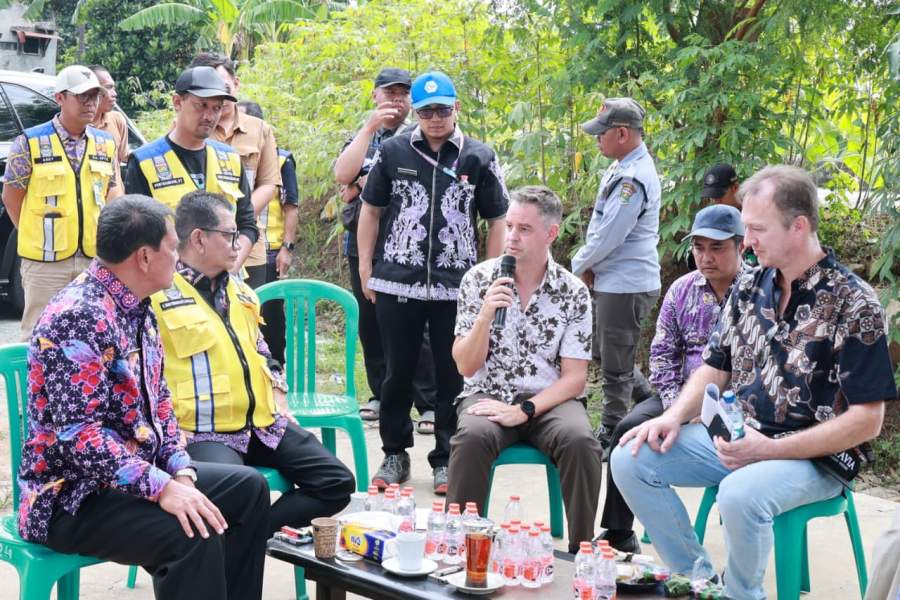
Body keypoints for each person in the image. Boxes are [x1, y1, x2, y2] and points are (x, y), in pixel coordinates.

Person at [611, 165, 897, 600]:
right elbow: (715, 366)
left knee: (739, 494)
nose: (747, 240)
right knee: (630, 458)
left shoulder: (854, 302)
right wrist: (673, 417)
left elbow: (867, 421)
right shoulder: (749, 285)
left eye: (757, 229)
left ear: (798, 226)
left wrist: (770, 450)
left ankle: (742, 595)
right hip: (741, 437)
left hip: (816, 457)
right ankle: (698, 582)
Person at [17, 196, 270, 600]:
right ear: (145, 257)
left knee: (248, 490)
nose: (180, 256)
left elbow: (160, 403)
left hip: (132, 474)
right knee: (191, 533)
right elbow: (80, 439)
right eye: (173, 247)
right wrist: (162, 487)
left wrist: (181, 471)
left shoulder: (138, 305)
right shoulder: (79, 317)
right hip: (71, 497)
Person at [150, 190, 354, 535]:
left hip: (261, 423)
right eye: (230, 235)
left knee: (336, 482)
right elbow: (141, 373)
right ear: (198, 239)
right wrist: (163, 427)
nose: (241, 243)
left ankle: (251, 536)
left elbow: (263, 352)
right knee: (235, 493)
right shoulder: (158, 296)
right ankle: (242, 541)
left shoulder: (240, 291)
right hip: (204, 432)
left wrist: (278, 394)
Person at [357, 71, 508, 493]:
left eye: (442, 110)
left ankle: (445, 456)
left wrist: (487, 276)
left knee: (451, 374)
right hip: (397, 282)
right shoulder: (393, 150)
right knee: (396, 372)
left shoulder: (479, 156)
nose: (435, 119)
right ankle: (394, 453)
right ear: (417, 113)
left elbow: (497, 219)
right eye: (426, 112)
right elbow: (370, 210)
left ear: (456, 107)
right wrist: (367, 268)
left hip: (456, 285)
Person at [447, 185, 603, 552]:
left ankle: (582, 552)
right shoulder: (478, 280)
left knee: (581, 441)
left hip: (548, 399)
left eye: (524, 229)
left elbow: (575, 378)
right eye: (509, 226)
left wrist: (525, 410)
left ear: (551, 233)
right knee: (471, 438)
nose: (512, 237)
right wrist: (486, 315)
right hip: (487, 393)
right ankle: (459, 547)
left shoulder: (573, 292)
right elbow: (466, 364)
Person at [597, 204, 744, 554]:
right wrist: (679, 407)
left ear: (741, 246)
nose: (705, 257)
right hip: (678, 395)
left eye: (717, 247)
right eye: (699, 247)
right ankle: (619, 533)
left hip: (737, 405)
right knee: (627, 429)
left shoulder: (757, 291)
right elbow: (662, 354)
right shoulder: (682, 289)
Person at [333, 67, 437, 433]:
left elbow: (411, 181)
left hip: (407, 244)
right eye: (389, 93)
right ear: (375, 96)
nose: (396, 100)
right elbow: (342, 175)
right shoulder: (362, 136)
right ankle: (380, 393)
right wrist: (368, 131)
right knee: (371, 322)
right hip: (361, 244)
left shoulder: (421, 135)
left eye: (402, 94)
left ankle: (428, 403)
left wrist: (362, 182)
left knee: (417, 325)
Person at [1, 64, 123, 340]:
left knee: (91, 336)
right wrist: (35, 234)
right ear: (60, 98)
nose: (90, 103)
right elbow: (11, 197)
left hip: (93, 259)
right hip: (45, 265)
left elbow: (112, 194)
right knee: (40, 336)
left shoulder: (105, 144)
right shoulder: (29, 142)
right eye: (82, 96)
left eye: (95, 96)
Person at [570, 97, 661, 453]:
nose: (597, 139)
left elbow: (609, 234)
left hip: (626, 284)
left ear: (622, 133)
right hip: (614, 280)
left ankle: (612, 430)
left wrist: (578, 266)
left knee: (615, 365)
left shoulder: (632, 179)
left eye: (601, 133)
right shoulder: (623, 166)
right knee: (607, 353)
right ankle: (651, 403)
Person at [124, 66, 258, 270]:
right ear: (177, 102)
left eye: (216, 108)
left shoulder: (230, 159)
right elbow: (137, 235)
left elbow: (247, 224)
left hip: (226, 282)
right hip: (168, 282)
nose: (209, 116)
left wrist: (230, 270)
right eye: (201, 105)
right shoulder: (145, 162)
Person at [189, 53, 282, 280]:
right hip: (198, 248)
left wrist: (235, 218)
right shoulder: (190, 129)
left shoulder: (260, 130)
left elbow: (269, 184)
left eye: (223, 87)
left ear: (236, 83)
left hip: (248, 246)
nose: (218, 96)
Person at [235, 100, 299, 365]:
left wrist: (287, 247)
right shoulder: (225, 156)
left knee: (271, 315)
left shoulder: (281, 159)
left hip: (269, 248)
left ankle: (276, 366)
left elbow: (291, 206)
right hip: (238, 245)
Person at [89, 64, 130, 163]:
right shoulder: (75, 126)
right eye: (108, 87)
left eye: (113, 88)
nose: (114, 94)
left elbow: (124, 156)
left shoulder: (116, 119)